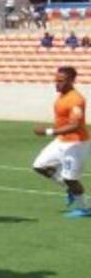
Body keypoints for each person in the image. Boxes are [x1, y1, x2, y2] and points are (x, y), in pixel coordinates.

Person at [32, 66, 91, 217]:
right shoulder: (62, 96)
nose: (56, 83)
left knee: (71, 178)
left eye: (61, 81)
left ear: (71, 80)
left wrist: (47, 132)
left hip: (76, 144)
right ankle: (70, 189)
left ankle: (84, 208)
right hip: (61, 141)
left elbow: (75, 125)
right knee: (39, 165)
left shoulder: (76, 99)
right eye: (56, 80)